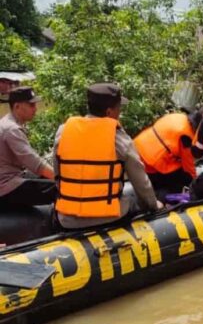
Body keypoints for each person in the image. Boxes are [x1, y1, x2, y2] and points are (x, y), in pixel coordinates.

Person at [53, 83, 163, 229]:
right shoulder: (119, 139)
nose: (120, 113)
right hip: (109, 217)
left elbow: (58, 173)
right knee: (135, 201)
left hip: (67, 219)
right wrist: (155, 205)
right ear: (109, 112)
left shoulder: (63, 132)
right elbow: (141, 183)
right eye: (119, 108)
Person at [0, 87, 56, 208]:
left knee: (45, 176)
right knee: (59, 187)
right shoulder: (11, 129)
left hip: (11, 178)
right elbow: (34, 162)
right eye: (31, 105)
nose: (35, 109)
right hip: (6, 187)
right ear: (17, 107)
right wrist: (64, 180)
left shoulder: (8, 123)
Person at [134, 109, 203, 200]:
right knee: (184, 180)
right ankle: (161, 197)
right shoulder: (186, 136)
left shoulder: (179, 117)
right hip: (150, 163)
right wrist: (195, 186)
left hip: (137, 147)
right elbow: (189, 168)